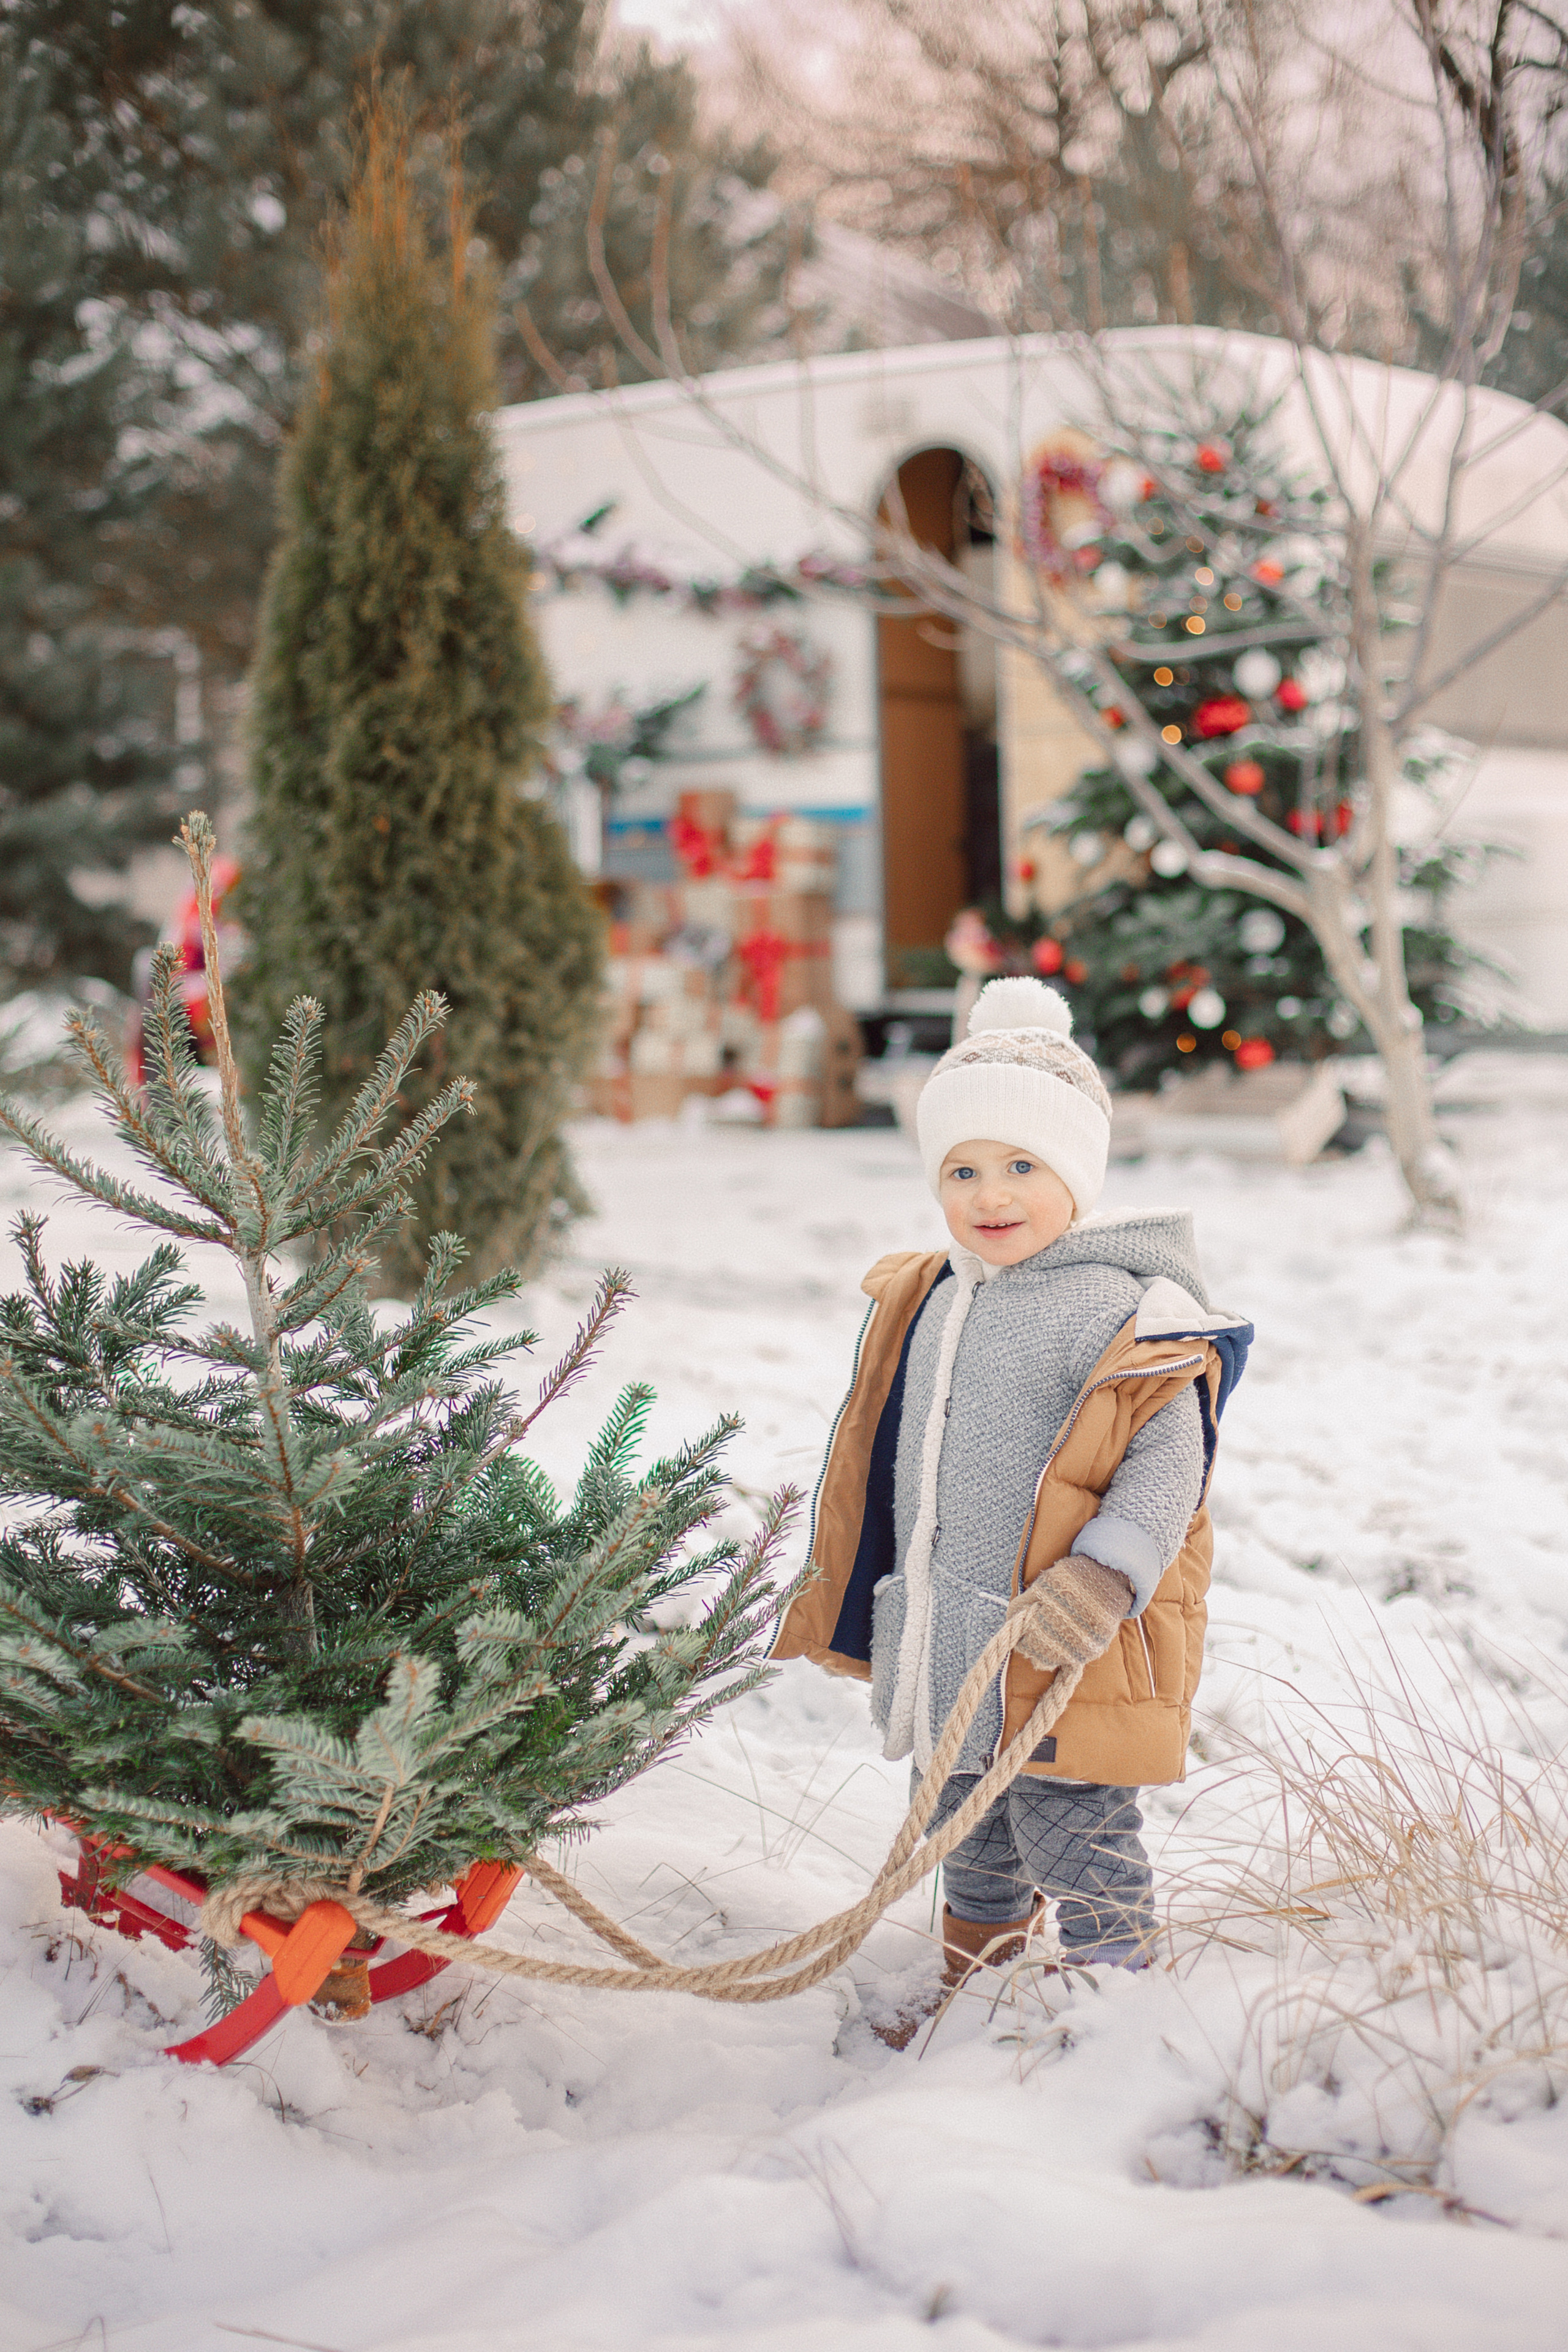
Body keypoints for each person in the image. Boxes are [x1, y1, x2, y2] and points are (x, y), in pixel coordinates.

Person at [769, 975, 1251, 2034]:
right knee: (964, 1832)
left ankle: (1120, 2009)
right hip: (955, 1636)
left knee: (1073, 1827)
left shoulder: (1124, 1311)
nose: (992, 1194)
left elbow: (1171, 1458)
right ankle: (975, 1990)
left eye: (1024, 1166)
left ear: (1078, 1176)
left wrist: (1106, 1570)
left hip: (1062, 1637)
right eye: (964, 1169)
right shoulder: (939, 1297)